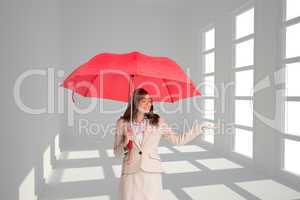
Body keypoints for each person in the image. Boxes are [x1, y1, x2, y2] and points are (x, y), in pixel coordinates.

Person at [113, 88, 217, 200]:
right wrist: (125, 142)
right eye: (144, 101)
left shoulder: (157, 122)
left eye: (150, 101)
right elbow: (116, 153)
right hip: (130, 172)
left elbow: (178, 140)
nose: (148, 104)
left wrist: (199, 128)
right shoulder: (123, 123)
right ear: (135, 102)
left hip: (151, 172)